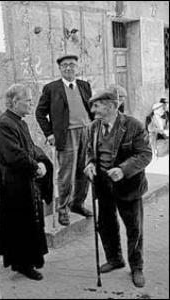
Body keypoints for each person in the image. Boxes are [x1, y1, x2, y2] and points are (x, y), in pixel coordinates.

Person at [84, 89, 152, 288]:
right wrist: (89, 164)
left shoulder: (134, 126)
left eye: (97, 105)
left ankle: (137, 266)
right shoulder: (93, 127)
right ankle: (115, 258)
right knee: (105, 224)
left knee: (134, 228)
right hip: (103, 185)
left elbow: (145, 154)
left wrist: (123, 170)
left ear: (112, 106)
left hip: (128, 185)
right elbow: (89, 151)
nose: (93, 109)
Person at [0, 84, 53, 281]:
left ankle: (24, 260)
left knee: (26, 222)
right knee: (20, 224)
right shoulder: (4, 124)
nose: (31, 103)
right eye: (27, 100)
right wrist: (36, 167)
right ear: (13, 102)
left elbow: (30, 147)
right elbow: (15, 155)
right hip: (14, 185)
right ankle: (23, 264)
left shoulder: (19, 122)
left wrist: (42, 160)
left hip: (24, 181)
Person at [35, 54, 93, 226]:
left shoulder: (84, 85)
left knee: (85, 171)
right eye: (65, 65)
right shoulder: (51, 88)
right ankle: (63, 209)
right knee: (66, 174)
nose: (69, 68)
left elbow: (91, 109)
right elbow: (40, 113)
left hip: (86, 132)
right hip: (66, 135)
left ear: (77, 67)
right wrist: (49, 134)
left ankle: (78, 204)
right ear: (60, 69)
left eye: (72, 65)